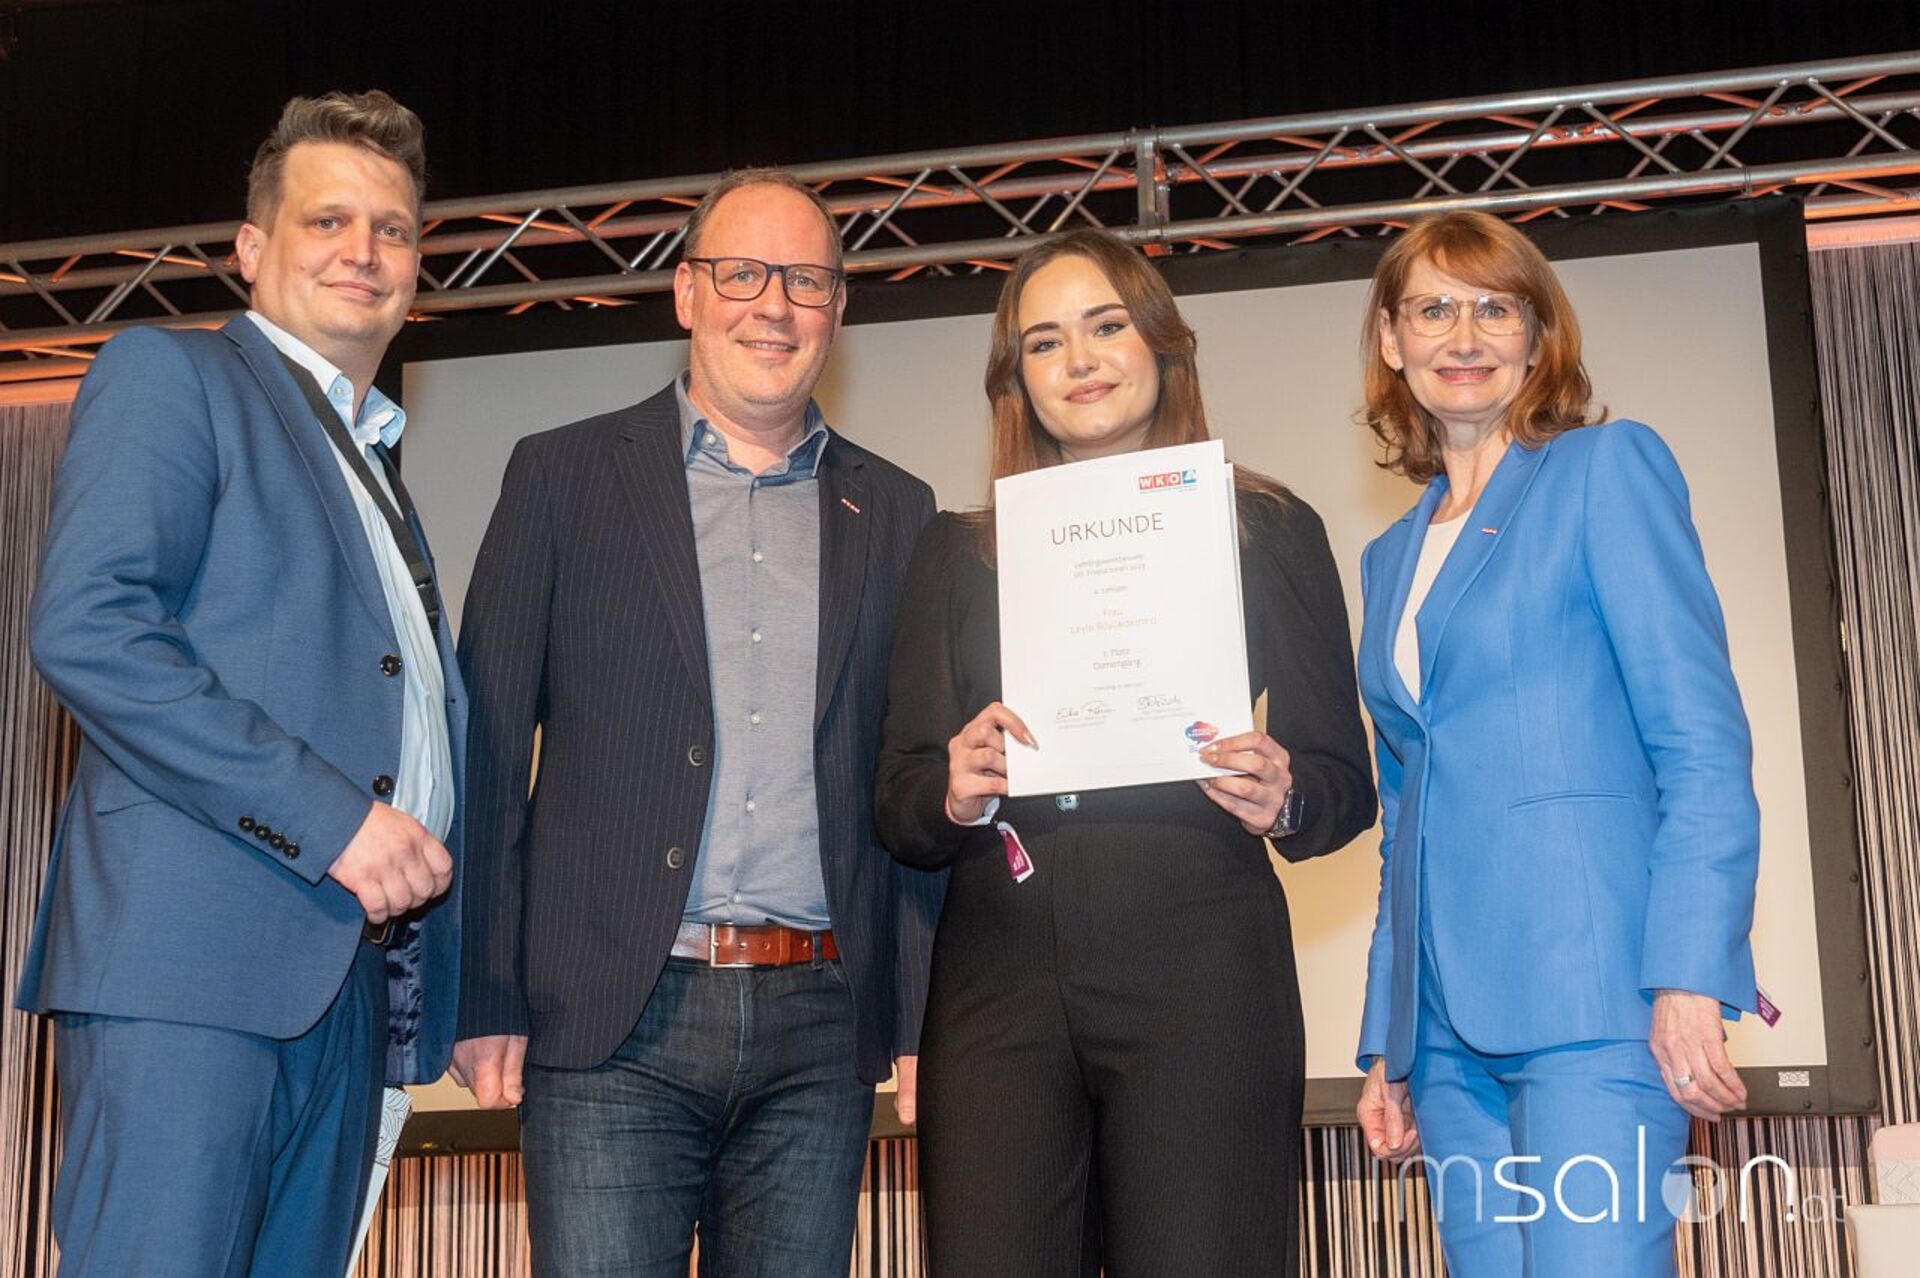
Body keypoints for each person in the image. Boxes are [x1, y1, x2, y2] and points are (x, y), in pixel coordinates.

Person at [451, 167, 943, 1277]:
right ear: (685, 293)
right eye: (742, 274)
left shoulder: (899, 510)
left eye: (805, 281)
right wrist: (481, 989)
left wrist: (920, 1019)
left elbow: (909, 779)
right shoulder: (560, 477)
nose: (773, 305)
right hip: (610, 1024)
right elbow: (487, 755)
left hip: (821, 1030)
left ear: (838, 309)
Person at [874, 227, 1376, 1276]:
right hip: (998, 985)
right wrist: (954, 791)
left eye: (1106, 326)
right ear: (1015, 378)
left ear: (1162, 342)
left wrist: (1283, 794)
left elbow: (1341, 785)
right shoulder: (953, 555)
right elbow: (902, 799)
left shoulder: (1266, 527)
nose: (1081, 360)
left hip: (1204, 971)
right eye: (1044, 342)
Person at [18, 90, 461, 1275]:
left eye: (392, 229)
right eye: (328, 221)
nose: (363, 250)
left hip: (346, 988)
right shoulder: (174, 374)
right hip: (193, 977)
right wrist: (336, 819)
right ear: (252, 249)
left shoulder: (376, 462)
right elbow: (93, 627)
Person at [1350, 209, 1761, 1276]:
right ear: (1391, 338)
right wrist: (1388, 1041)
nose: (1464, 336)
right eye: (1432, 310)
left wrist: (1689, 973)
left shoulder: (1604, 470)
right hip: (1444, 1040)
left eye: (1496, 309)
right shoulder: (1388, 557)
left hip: (1597, 1004)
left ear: (1539, 336)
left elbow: (1701, 743)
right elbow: (1406, 820)